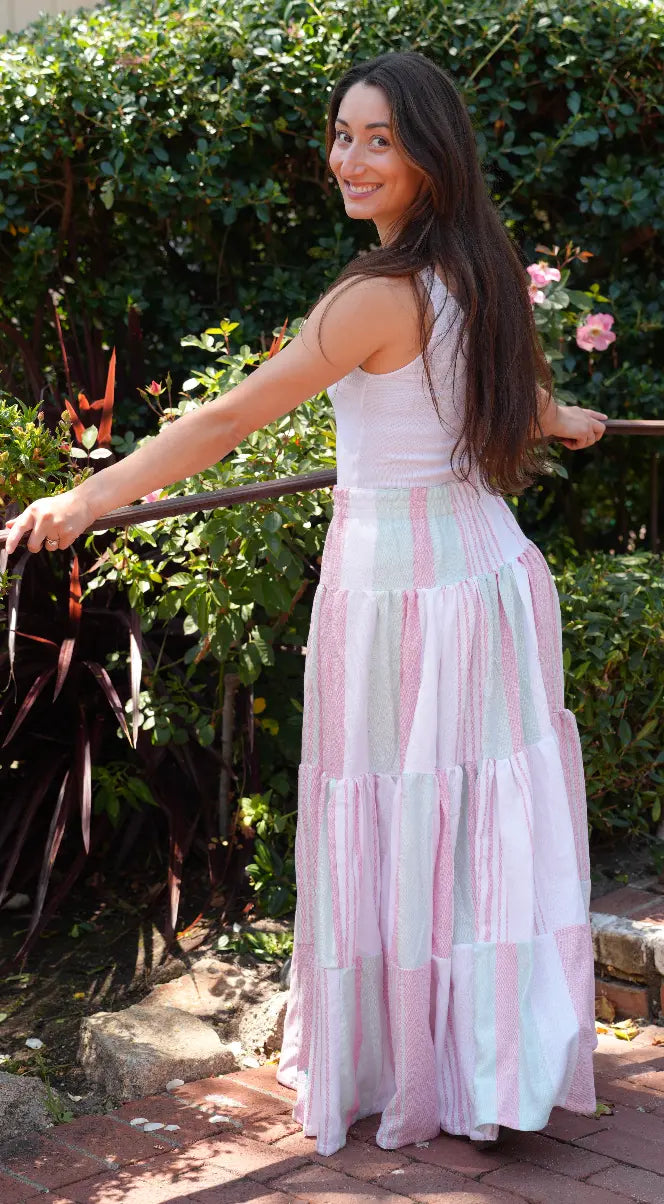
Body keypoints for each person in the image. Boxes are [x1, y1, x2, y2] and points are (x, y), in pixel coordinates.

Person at [3, 51, 605, 1158]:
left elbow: (224, 420)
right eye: (343, 135)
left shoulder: (372, 298)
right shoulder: (475, 268)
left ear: (431, 153)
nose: (351, 159)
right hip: (488, 575)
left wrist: (87, 496)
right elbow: (504, 397)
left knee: (415, 813)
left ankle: (436, 1066)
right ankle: (492, 1061)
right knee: (475, 820)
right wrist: (564, 421)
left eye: (380, 139)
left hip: (407, 592)